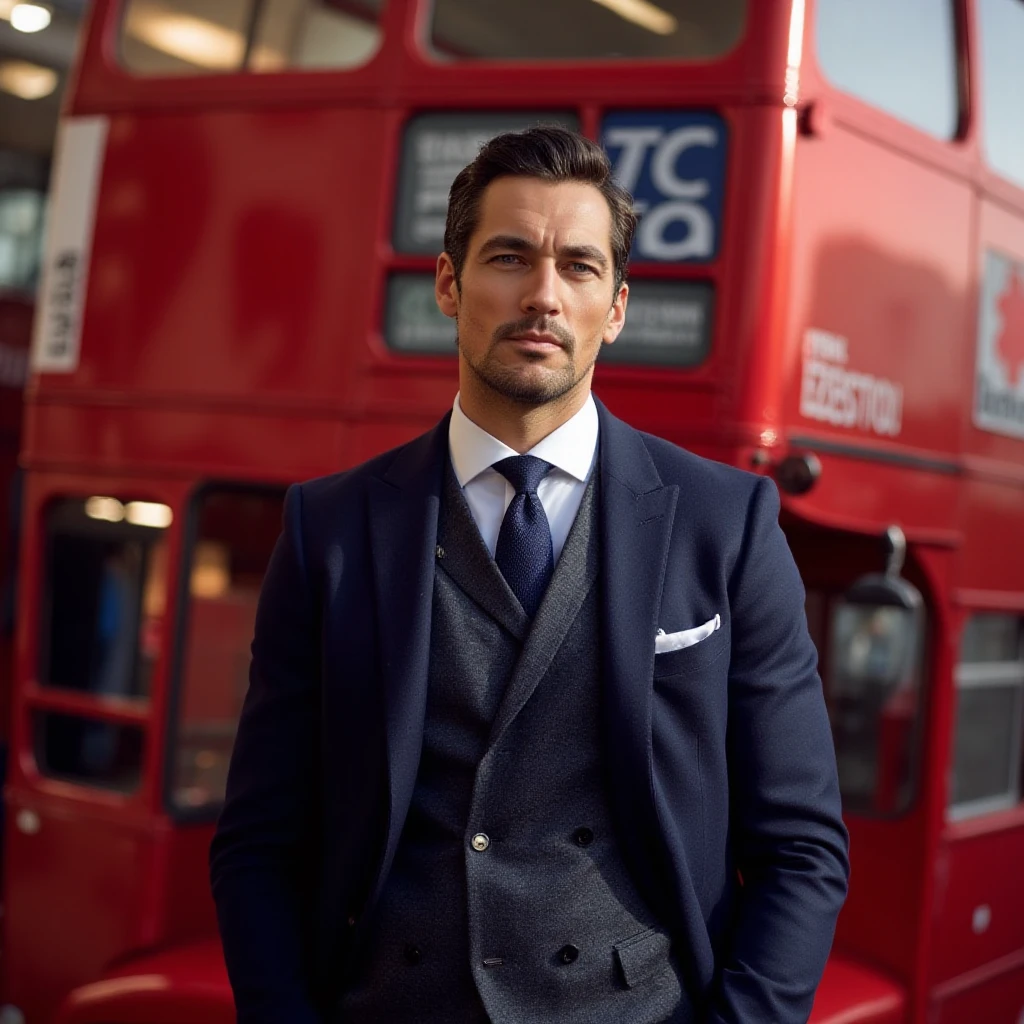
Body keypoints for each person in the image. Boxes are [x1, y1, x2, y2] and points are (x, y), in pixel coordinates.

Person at [210, 126, 849, 1024]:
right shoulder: (331, 528)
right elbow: (259, 843)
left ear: (616, 308)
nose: (543, 295)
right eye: (510, 256)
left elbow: (802, 848)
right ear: (448, 283)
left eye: (580, 267)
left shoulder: (725, 524)